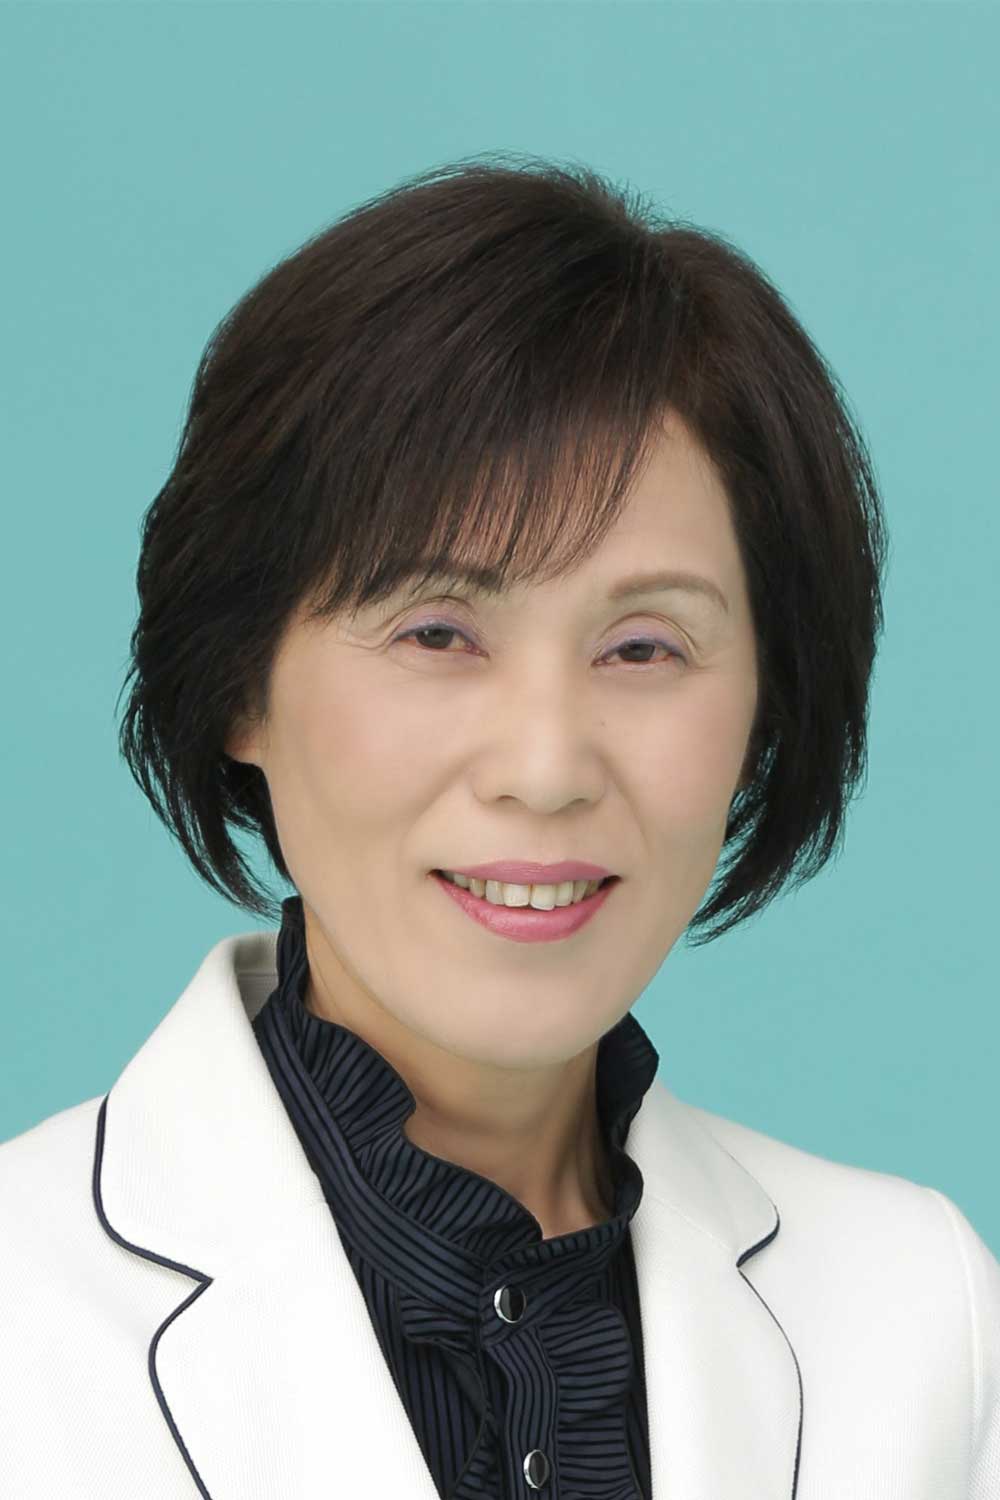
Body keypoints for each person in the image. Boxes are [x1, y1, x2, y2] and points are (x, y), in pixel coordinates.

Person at [2, 153, 997, 1499]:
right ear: (240, 683)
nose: (545, 768)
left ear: (767, 709)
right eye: (437, 632)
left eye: (643, 648)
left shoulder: (925, 1321)